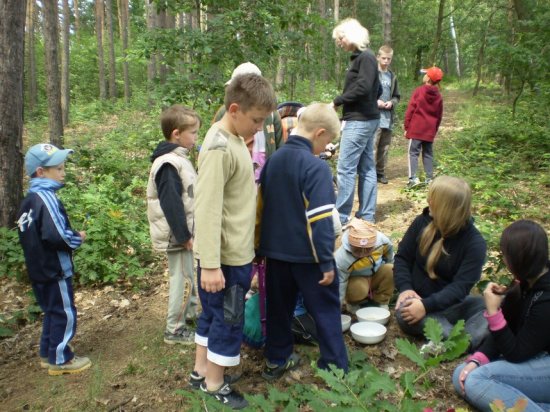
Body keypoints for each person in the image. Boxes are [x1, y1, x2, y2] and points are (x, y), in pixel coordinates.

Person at [190, 73, 277, 410]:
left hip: (234, 252)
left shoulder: (238, 138)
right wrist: (210, 264)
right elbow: (207, 208)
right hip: (224, 259)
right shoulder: (218, 147)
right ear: (235, 109)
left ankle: (201, 370)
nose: (259, 128)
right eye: (256, 120)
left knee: (213, 315)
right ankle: (215, 384)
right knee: (229, 318)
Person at [256, 103, 349, 380]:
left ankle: (277, 358)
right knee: (326, 309)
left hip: (275, 253)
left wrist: (258, 247)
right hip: (309, 257)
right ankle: (334, 367)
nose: (326, 148)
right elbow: (320, 220)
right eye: (328, 141)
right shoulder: (316, 168)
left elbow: (261, 207)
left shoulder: (274, 160)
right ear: (320, 133)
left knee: (278, 308)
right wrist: (326, 261)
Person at [453, 220, 550, 412]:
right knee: (461, 374)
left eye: (505, 254)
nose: (504, 260)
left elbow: (516, 353)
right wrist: (477, 359)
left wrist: (494, 312)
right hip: (532, 357)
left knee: (476, 381)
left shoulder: (546, 299)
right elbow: (507, 332)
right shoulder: (527, 284)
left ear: (518, 259)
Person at [17, 144, 92, 376]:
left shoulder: (29, 201)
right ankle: (61, 359)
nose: (63, 172)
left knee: (51, 311)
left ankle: (47, 352)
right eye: (58, 168)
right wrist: (76, 238)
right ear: (41, 172)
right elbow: (55, 235)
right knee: (64, 312)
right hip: (54, 269)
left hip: (38, 270)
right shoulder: (46, 198)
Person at [394, 176, 488, 350]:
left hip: (451, 305)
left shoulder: (474, 243)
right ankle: (461, 340)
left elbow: (461, 287)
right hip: (416, 302)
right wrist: (406, 288)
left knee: (488, 305)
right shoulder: (422, 222)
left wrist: (427, 305)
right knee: (404, 313)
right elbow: (402, 258)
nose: (428, 201)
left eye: (434, 200)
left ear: (448, 209)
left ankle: (452, 340)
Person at [146, 105, 200, 345]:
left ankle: (188, 316)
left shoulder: (179, 159)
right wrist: (184, 236)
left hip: (185, 233)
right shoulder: (168, 163)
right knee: (183, 279)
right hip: (178, 236)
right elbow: (171, 204)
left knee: (191, 276)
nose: (197, 137)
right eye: (194, 133)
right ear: (176, 134)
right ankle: (174, 329)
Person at [331, 18, 381, 224]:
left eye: (340, 38)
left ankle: (341, 217)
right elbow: (375, 88)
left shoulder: (366, 58)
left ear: (350, 35)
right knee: (367, 167)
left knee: (345, 168)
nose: (339, 43)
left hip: (360, 121)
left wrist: (337, 101)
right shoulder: (362, 58)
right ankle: (367, 215)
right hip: (367, 118)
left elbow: (364, 87)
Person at [212, 62, 283, 182]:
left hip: (265, 176)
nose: (259, 126)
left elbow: (279, 144)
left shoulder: (272, 115)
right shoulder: (224, 113)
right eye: (256, 120)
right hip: (237, 175)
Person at [335, 218, 394, 313]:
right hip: (356, 280)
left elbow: (390, 258)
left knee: (391, 269)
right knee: (357, 289)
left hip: (376, 274)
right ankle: (354, 303)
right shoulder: (342, 258)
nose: (362, 254)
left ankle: (381, 300)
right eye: (357, 250)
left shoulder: (383, 242)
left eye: (368, 250)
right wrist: (338, 305)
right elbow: (341, 282)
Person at [404, 66, 444, 187]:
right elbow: (439, 116)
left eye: (425, 74)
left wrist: (406, 127)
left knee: (413, 153)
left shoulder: (419, 91)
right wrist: (434, 131)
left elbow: (410, 110)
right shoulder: (439, 96)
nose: (424, 75)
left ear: (428, 78)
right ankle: (429, 179)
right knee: (428, 154)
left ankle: (413, 179)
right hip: (429, 131)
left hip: (416, 129)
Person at [374, 45, 400, 185]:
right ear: (378, 57)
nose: (386, 61)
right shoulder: (372, 73)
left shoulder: (392, 76)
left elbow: (397, 96)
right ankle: (370, 173)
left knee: (384, 147)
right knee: (373, 146)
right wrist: (375, 101)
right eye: (383, 58)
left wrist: (392, 102)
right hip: (374, 117)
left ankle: (380, 172)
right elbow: (366, 93)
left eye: (388, 59)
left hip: (388, 118)